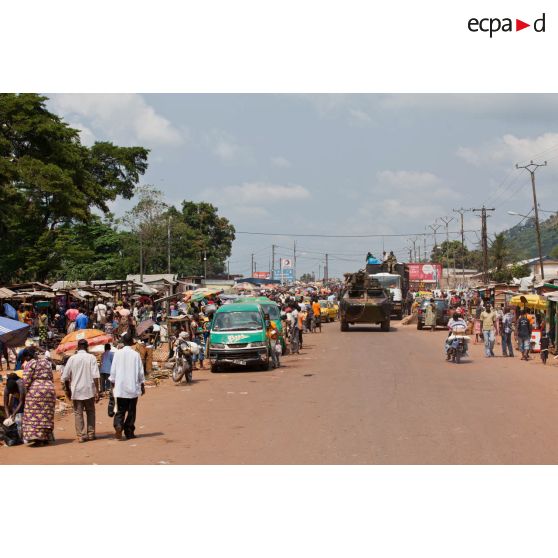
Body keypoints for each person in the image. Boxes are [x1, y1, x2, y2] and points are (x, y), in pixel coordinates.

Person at [61, 339, 100, 443]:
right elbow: (96, 376)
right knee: (90, 412)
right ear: (87, 347)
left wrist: (68, 390)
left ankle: (81, 436)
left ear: (78, 347)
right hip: (89, 390)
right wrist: (97, 391)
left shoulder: (72, 359)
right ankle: (91, 434)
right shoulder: (91, 358)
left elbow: (65, 377)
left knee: (78, 413)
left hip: (76, 390)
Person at [109, 332, 145, 441]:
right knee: (131, 411)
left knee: (120, 410)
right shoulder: (136, 355)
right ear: (132, 343)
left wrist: (113, 385)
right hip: (132, 388)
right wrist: (142, 385)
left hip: (120, 388)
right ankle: (129, 431)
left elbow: (113, 371)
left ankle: (118, 426)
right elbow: (140, 372)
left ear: (123, 342)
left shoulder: (118, 354)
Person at [21, 347, 56, 446]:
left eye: (26, 357)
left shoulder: (31, 363)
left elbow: (26, 380)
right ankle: (45, 437)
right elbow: (51, 376)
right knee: (46, 414)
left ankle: (38, 439)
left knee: (33, 415)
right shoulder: (45, 362)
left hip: (36, 391)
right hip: (49, 389)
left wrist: (26, 391)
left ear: (28, 356)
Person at [3, 372, 25, 439]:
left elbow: (22, 401)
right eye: (11, 392)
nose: (11, 393)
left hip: (23, 396)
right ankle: (18, 435)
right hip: (16, 397)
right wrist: (8, 416)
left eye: (13, 391)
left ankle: (23, 434)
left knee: (22, 413)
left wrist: (14, 413)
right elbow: (5, 404)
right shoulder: (7, 389)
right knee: (13, 410)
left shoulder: (20, 384)